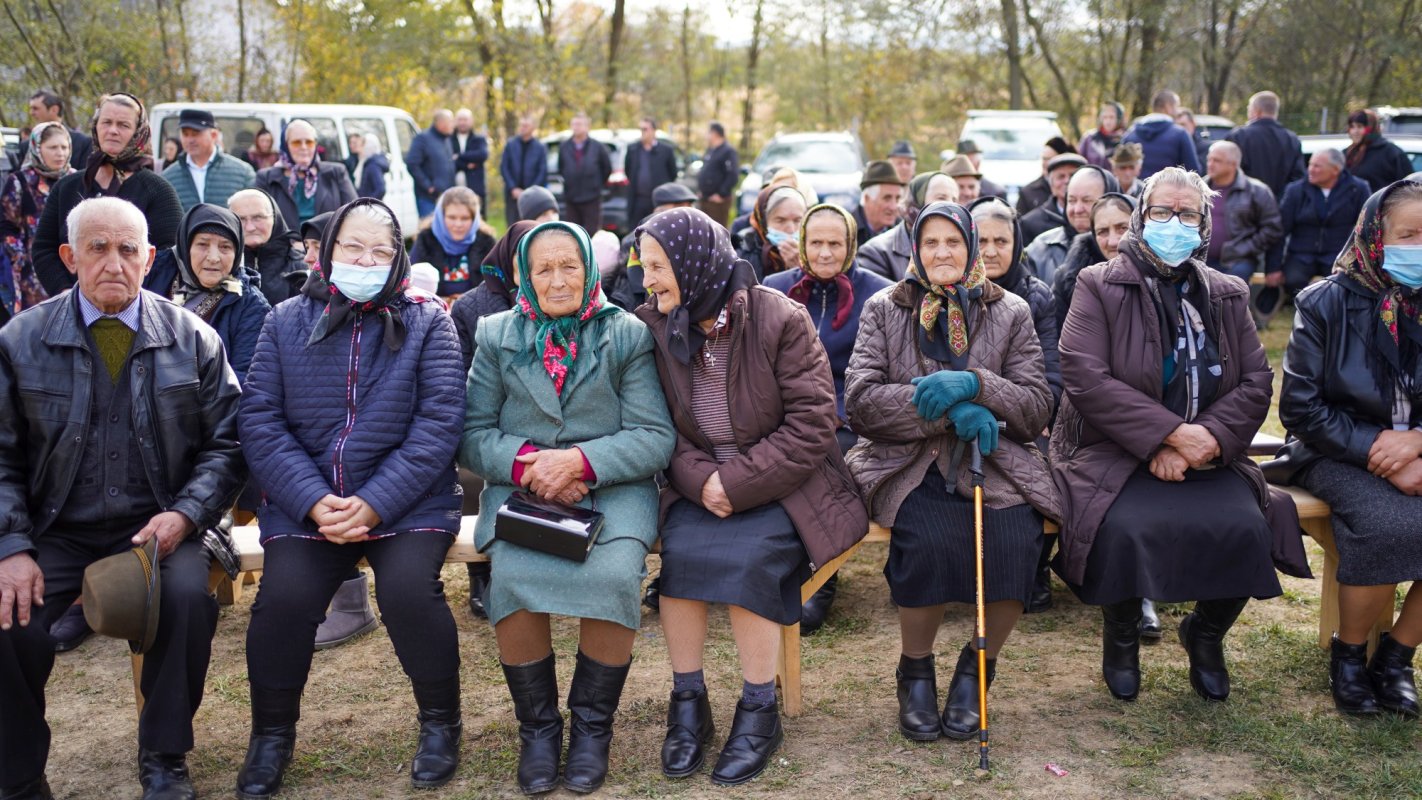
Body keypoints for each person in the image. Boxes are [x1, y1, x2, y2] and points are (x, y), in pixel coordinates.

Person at [0, 196, 245, 800]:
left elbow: (229, 442)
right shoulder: (20, 339)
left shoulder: (194, 338)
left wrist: (186, 513)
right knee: (7, 618)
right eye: (98, 247)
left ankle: (164, 756)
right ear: (68, 256)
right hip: (53, 526)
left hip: (161, 522)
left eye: (128, 249)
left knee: (189, 599)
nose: (114, 261)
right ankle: (18, 774)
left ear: (150, 257)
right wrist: (10, 543)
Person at [236, 198, 467, 797]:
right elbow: (260, 421)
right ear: (327, 250)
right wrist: (314, 500)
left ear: (398, 261)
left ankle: (441, 723)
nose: (366, 261)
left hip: (408, 501)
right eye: (352, 248)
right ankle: (271, 735)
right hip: (306, 500)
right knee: (283, 600)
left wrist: (374, 502)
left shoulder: (427, 321)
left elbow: (439, 424)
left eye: (380, 252)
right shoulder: (284, 319)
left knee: (408, 591)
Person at [634, 208, 867, 786]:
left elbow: (814, 425)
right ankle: (689, 703)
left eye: (658, 268)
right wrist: (701, 481)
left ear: (693, 264)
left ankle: (759, 708)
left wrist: (733, 485)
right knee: (681, 559)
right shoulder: (656, 325)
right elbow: (657, 425)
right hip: (698, 483)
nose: (648, 281)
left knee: (747, 561)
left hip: (787, 483)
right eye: (645, 268)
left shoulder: (777, 318)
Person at [1051, 167, 1292, 704]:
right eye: (1163, 211)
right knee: (1122, 528)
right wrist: (1166, 436)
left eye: (1188, 214)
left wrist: (1205, 438)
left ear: (1205, 225)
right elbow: (1084, 375)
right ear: (1141, 215)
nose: (1174, 223)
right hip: (1112, 453)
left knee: (1249, 528)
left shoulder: (1228, 293)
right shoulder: (1099, 283)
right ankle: (1121, 637)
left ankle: (1204, 635)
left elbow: (1256, 380)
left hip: (1209, 455)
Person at [460, 220, 676, 795]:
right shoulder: (495, 333)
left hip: (613, 486)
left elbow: (654, 436)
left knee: (611, 580)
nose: (558, 280)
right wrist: (535, 463)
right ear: (524, 278)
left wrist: (579, 462)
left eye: (569, 266)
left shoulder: (626, 334)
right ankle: (538, 729)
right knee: (512, 579)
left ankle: (591, 729)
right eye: (543, 269)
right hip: (523, 487)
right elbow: (473, 433)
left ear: (589, 268)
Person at [844, 200, 1058, 743]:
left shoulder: (1009, 310)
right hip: (908, 463)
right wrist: (939, 409)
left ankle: (976, 669)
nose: (943, 252)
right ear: (915, 248)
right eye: (931, 242)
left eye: (954, 242)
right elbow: (862, 403)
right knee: (929, 542)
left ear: (971, 247)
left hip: (996, 461)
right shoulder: (885, 308)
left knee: (1016, 543)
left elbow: (1037, 407)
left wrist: (980, 387)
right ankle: (914, 669)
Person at [1268, 179, 1422, 719]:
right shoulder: (1325, 302)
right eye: (1410, 235)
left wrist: (1416, 444)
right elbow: (1302, 410)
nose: (1420, 248)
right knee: (1390, 524)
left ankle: (1397, 659)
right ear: (1376, 236)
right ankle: (1350, 656)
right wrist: (1380, 446)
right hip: (1332, 451)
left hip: (1416, 452)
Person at [763, 204, 890, 632]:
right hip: (787, 413)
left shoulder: (877, 292)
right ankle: (779, 568)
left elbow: (876, 370)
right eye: (815, 242)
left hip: (848, 415)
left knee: (823, 461)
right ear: (801, 244)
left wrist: (833, 412)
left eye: (835, 243)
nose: (823, 253)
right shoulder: (774, 288)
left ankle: (821, 576)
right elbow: (763, 365)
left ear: (851, 246)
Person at [31, 93, 183, 299]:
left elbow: (169, 256)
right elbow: (44, 248)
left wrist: (124, 295)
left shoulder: (158, 190)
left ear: (139, 132)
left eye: (123, 125)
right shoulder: (68, 186)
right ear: (96, 126)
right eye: (106, 122)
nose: (112, 130)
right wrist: (65, 291)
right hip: (74, 305)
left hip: (135, 307)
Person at [168, 203, 271, 384]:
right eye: (202, 244)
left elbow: (246, 379)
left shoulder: (250, 305)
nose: (214, 257)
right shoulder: (156, 277)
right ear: (186, 247)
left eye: (225, 247)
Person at [1267, 148, 1370, 297]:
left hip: (1338, 254)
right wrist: (1273, 268)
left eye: (1317, 166)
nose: (1311, 170)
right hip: (1301, 255)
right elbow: (1280, 230)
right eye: (1310, 165)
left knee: (1342, 283)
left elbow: (1365, 227)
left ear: (1335, 170)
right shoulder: (1295, 190)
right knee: (1293, 280)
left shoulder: (1358, 189)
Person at [0, 122, 73, 323]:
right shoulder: (20, 181)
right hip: (30, 270)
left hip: (73, 266)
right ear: (37, 148)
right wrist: (20, 259)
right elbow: (7, 225)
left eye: (64, 147)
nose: (60, 153)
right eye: (52, 147)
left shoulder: (76, 179)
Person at [607, 182, 698, 311]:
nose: (686, 211)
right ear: (658, 210)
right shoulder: (637, 239)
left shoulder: (697, 236)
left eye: (689, 206)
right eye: (678, 206)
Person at [1053, 192, 1137, 331]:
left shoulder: (1160, 277)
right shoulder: (1068, 281)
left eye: (1122, 228)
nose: (1113, 241)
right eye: (1102, 231)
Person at [1025, 163, 1119, 285]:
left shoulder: (1124, 246)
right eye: (1071, 201)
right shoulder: (1040, 249)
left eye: (1087, 200)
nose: (1077, 209)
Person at [255, 119, 357, 231]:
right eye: (296, 142)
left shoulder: (336, 172)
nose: (304, 147)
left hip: (326, 245)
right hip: (284, 247)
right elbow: (259, 220)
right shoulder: (266, 178)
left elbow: (354, 213)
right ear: (285, 146)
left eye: (309, 142)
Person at [1203, 141, 1283, 282]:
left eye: (1217, 160)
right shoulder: (1198, 189)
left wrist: (1245, 248)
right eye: (1209, 159)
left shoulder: (1257, 191)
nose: (1210, 164)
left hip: (1236, 261)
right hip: (1200, 259)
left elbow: (1272, 228)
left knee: (1230, 294)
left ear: (1233, 164)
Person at [857, 171, 958, 281]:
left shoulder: (962, 246)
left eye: (954, 200)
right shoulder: (876, 253)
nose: (951, 205)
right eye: (941, 198)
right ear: (917, 201)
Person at [161, 108, 256, 211]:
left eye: (195, 133)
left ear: (214, 135)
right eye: (185, 134)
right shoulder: (168, 177)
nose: (190, 140)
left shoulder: (242, 173)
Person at [410, 186, 497, 298]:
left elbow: (495, 285)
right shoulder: (426, 240)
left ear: (475, 219)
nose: (458, 224)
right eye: (452, 217)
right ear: (441, 216)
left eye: (465, 218)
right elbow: (412, 285)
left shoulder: (486, 242)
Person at [228, 188, 306, 307]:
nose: (250, 227)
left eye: (258, 217)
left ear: (274, 218)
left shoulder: (301, 267)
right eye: (241, 219)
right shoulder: (223, 266)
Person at [1225, 91, 1305, 198]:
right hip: (1280, 205)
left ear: (1256, 111)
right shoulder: (1292, 139)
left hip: (1245, 203)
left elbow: (1227, 172)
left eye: (1248, 109)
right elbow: (1298, 177)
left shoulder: (1239, 136)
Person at [1122, 90, 1201, 178]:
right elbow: (1194, 173)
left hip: (1137, 191)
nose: (1178, 112)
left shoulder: (1130, 135)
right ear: (1168, 107)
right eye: (1177, 106)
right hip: (1169, 191)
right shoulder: (1180, 134)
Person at [734, 185, 807, 279]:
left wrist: (800, 269)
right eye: (780, 220)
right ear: (763, 221)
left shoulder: (813, 249)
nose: (791, 229)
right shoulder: (745, 249)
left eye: (797, 220)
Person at [558, 113, 613, 234]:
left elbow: (607, 169)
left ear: (587, 126)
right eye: (573, 124)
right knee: (572, 233)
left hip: (592, 198)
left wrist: (596, 185)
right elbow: (561, 168)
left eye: (579, 124)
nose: (575, 127)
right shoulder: (564, 147)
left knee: (592, 233)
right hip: (571, 197)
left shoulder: (598, 147)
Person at [1019, 152, 1086, 245]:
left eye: (1072, 175)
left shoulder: (1096, 218)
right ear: (1051, 185)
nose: (1067, 181)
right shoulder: (1030, 223)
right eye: (1060, 177)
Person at [625, 117, 679, 229]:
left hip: (658, 202)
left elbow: (673, 173)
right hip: (638, 200)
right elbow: (628, 170)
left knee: (659, 231)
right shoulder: (633, 149)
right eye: (641, 129)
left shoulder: (666, 150)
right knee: (636, 231)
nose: (642, 132)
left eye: (645, 129)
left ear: (653, 131)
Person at [1344, 109, 1415, 194]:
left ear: (1371, 128)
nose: (1355, 131)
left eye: (1359, 126)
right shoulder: (1347, 154)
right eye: (1352, 126)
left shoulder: (1392, 154)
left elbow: (1408, 188)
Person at [500, 114, 549, 227]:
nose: (523, 128)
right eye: (521, 125)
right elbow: (504, 167)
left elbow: (542, 171)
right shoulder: (510, 144)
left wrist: (530, 191)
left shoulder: (540, 147)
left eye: (526, 125)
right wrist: (513, 188)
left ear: (533, 128)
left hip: (532, 195)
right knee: (513, 225)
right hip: (512, 195)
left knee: (531, 224)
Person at [22, 90, 92, 169]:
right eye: (53, 147)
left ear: (54, 110)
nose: (31, 113)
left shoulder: (82, 143)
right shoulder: (26, 145)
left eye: (36, 108)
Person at [407, 110, 458, 219]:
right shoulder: (423, 138)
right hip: (428, 198)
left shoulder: (447, 139)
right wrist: (428, 186)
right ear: (441, 123)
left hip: (446, 197)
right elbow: (412, 164)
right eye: (451, 122)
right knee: (429, 231)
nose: (454, 125)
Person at [1015, 136, 1074, 215]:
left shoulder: (1078, 189)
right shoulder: (1028, 193)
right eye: (1044, 159)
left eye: (1050, 159)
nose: (1045, 163)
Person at [696, 123, 740, 226]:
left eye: (708, 132)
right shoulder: (711, 150)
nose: (707, 136)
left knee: (716, 230)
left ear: (715, 133)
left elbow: (733, 175)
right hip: (705, 199)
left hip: (717, 202)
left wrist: (721, 194)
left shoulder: (728, 151)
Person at [854, 160, 906, 247]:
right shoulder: (847, 230)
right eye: (887, 198)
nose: (894, 207)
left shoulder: (903, 230)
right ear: (867, 199)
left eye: (897, 199)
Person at [452, 108, 490, 206]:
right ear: (456, 121)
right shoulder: (448, 139)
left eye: (465, 120)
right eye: (460, 120)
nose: (462, 123)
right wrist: (466, 165)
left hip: (475, 186)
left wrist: (459, 156)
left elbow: (482, 154)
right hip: (453, 186)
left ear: (471, 121)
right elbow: (448, 159)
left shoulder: (479, 139)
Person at [1080, 102, 1127, 169]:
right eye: (1105, 117)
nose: (1108, 121)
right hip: (1092, 177)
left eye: (1111, 117)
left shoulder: (1125, 139)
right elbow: (1080, 161)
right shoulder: (1089, 138)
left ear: (1119, 119)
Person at [354, 135, 389, 200]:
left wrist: (368, 202)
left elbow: (380, 189)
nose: (362, 146)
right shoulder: (365, 162)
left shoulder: (373, 165)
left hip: (369, 207)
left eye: (363, 144)